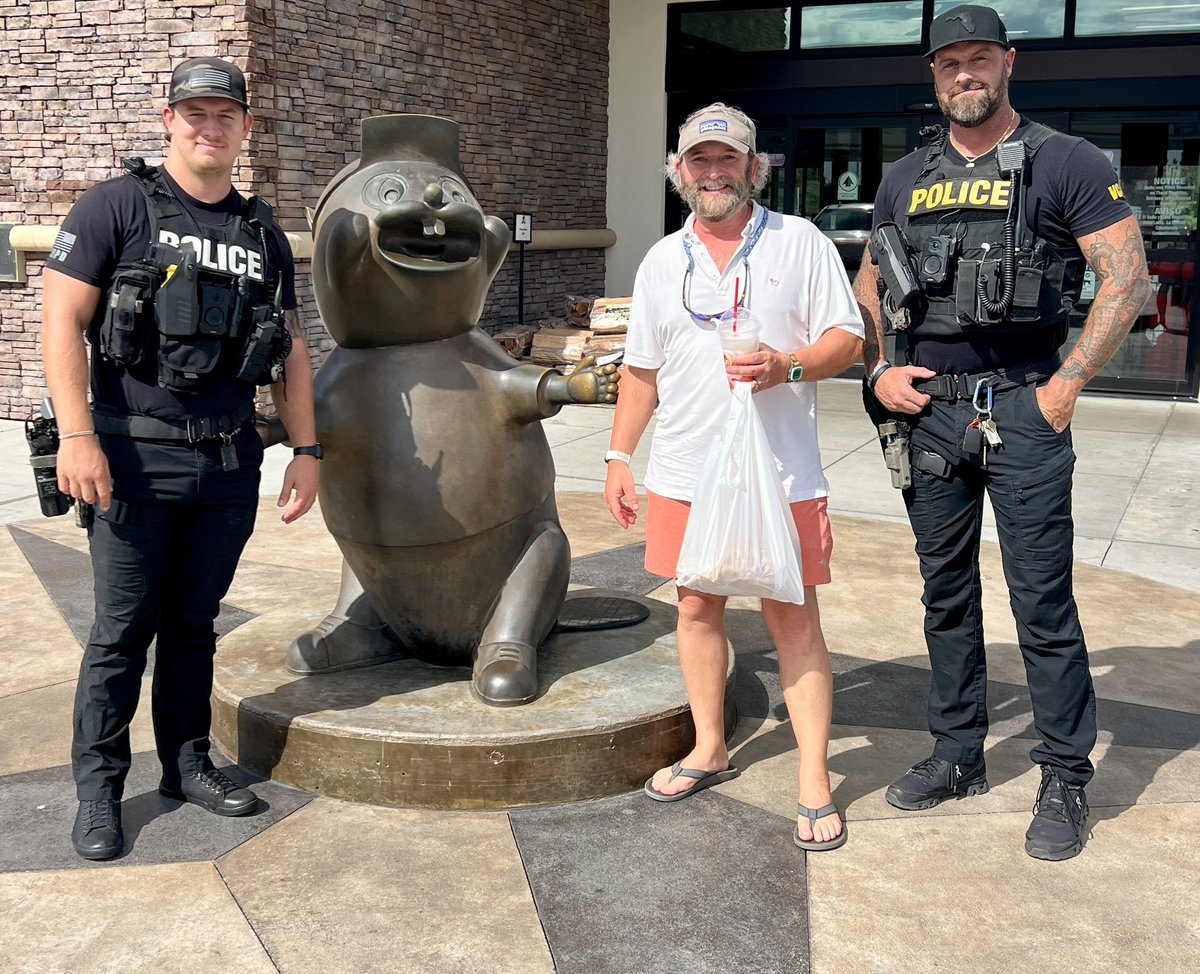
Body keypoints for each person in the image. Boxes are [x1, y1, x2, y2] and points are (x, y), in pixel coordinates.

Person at [855, 5, 1151, 861]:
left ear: (1008, 63)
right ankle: (957, 753)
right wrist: (878, 371)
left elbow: (1123, 281)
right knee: (945, 598)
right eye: (949, 65)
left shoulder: (1067, 160)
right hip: (930, 413)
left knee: (1041, 604)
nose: (964, 76)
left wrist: (1063, 389)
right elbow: (869, 286)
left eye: (979, 60)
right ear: (935, 76)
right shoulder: (906, 175)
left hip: (1022, 406)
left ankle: (1064, 775)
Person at [42, 57, 321, 861]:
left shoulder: (261, 229)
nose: (209, 127)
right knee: (122, 632)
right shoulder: (115, 205)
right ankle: (99, 791)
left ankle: (185, 763)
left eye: (224, 115)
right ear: (169, 120)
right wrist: (78, 436)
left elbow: (291, 348)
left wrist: (305, 448)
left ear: (244, 129)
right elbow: (60, 322)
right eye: (193, 113)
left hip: (230, 461)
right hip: (131, 456)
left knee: (194, 626)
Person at [604, 104, 864, 851]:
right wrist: (622, 457)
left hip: (782, 474)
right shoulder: (662, 260)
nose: (713, 173)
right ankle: (710, 747)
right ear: (679, 170)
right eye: (698, 160)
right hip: (687, 471)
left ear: (755, 168)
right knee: (696, 611)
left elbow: (846, 338)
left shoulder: (800, 243)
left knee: (793, 617)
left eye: (728, 160)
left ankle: (812, 779)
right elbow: (641, 370)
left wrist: (787, 367)